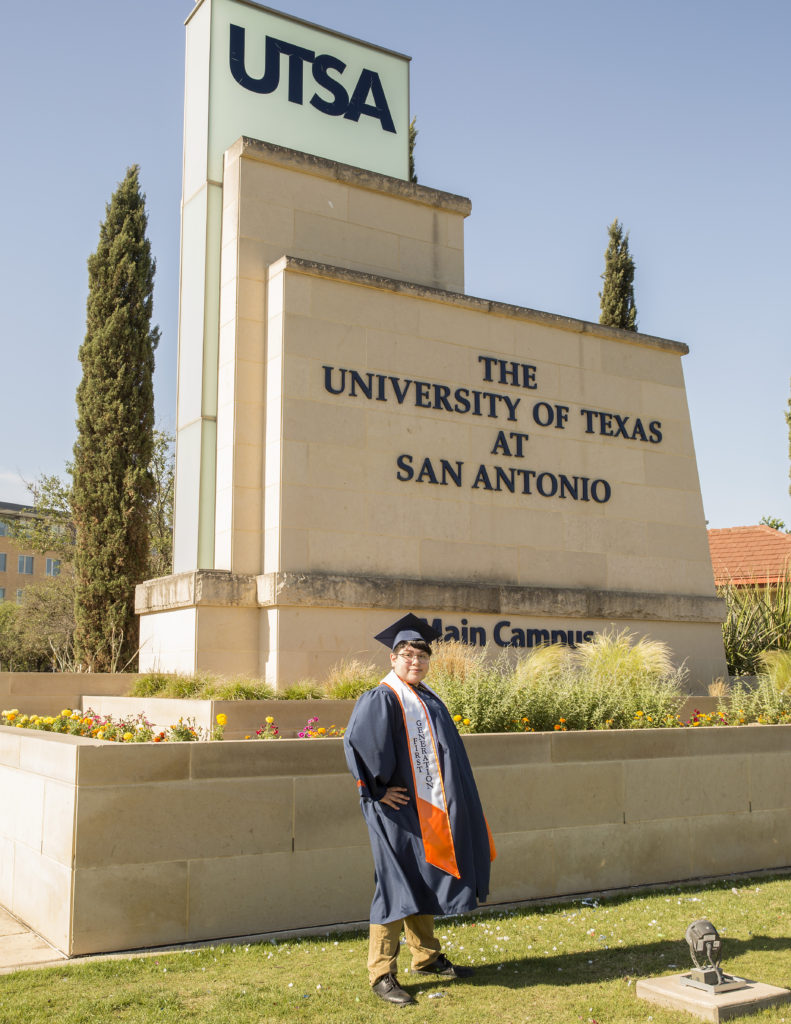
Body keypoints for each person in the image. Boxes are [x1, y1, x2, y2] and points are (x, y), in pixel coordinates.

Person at [343, 613, 496, 1006]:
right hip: (395, 813)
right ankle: (381, 974)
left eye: (422, 655)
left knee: (420, 877)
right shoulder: (383, 697)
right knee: (395, 885)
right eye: (407, 654)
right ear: (392, 659)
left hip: (425, 810)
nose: (415, 661)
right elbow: (358, 744)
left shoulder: (424, 696)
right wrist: (376, 792)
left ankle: (426, 958)